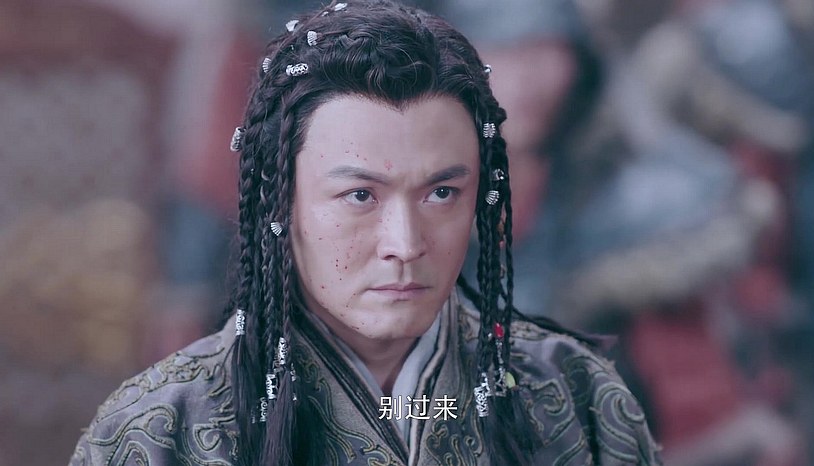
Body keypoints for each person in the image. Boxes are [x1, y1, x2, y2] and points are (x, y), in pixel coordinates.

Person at [69, 1, 661, 464]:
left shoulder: (576, 397)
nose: (405, 243)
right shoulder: (164, 423)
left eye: (440, 193)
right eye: (360, 196)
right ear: (285, 204)